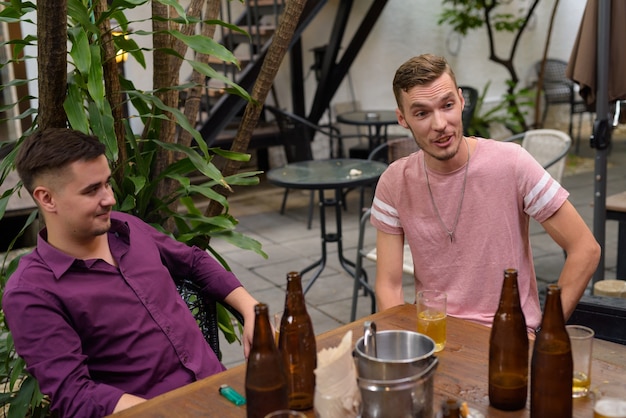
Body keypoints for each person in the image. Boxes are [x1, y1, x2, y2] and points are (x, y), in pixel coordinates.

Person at [2, 128, 260, 417]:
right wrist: (175, 411)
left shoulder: (127, 227)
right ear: (47, 199)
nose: (109, 198)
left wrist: (251, 311)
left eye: (107, 184)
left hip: (221, 391)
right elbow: (74, 394)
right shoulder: (31, 292)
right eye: (91, 190)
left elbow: (193, 261)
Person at [371, 54, 600, 333]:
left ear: (461, 101)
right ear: (402, 118)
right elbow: (389, 285)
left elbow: (585, 249)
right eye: (421, 113)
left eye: (447, 105)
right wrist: (403, 348)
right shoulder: (395, 182)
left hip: (509, 338)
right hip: (436, 336)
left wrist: (547, 333)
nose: (440, 123)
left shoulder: (511, 162)